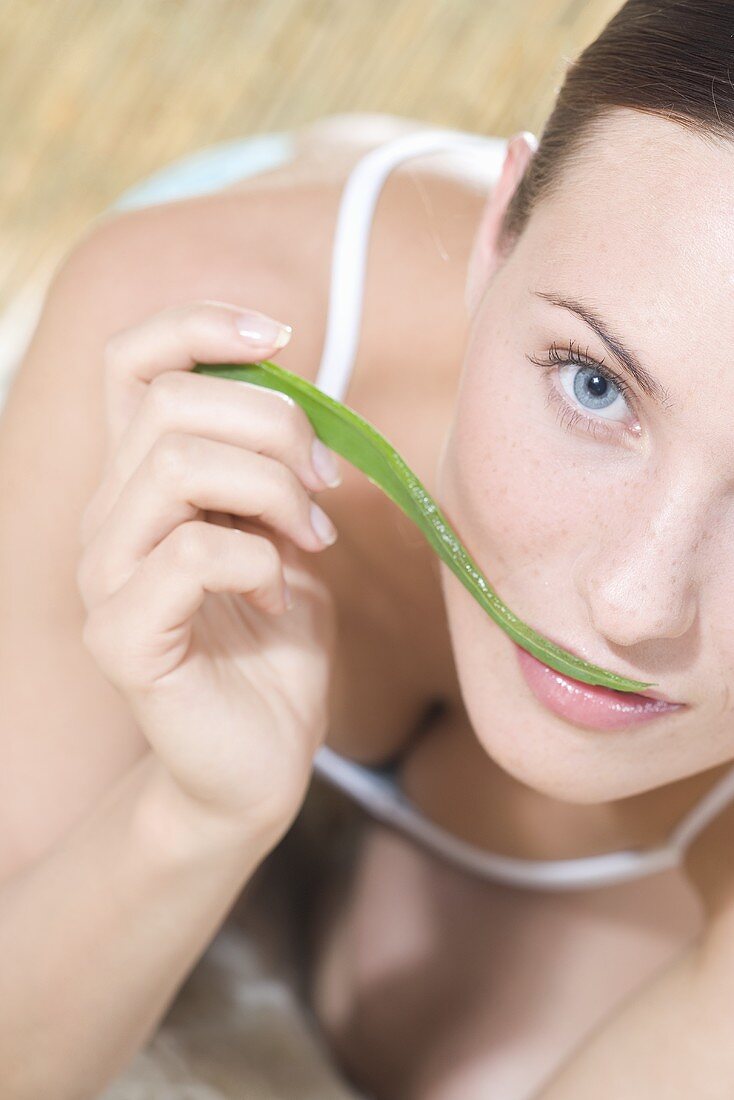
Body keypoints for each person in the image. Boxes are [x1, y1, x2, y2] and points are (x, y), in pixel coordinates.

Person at [1, 0, 734, 1096]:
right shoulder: (207, 325)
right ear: (496, 238)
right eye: (592, 385)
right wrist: (194, 816)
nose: (636, 603)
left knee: (446, 1044)